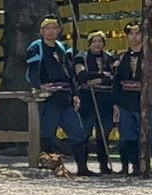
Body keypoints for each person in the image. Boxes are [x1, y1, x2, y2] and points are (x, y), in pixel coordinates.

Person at [26, 17, 91, 175]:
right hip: (49, 96)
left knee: (79, 132)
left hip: (66, 95)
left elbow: (71, 72)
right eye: (47, 28)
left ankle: (83, 168)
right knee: (47, 133)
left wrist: (75, 93)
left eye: (54, 28)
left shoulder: (64, 48)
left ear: (59, 31)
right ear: (42, 31)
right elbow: (33, 70)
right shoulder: (36, 47)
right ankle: (47, 168)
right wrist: (39, 86)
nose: (50, 31)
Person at [111, 24, 152, 178]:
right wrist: (115, 104)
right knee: (128, 136)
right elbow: (116, 83)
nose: (134, 37)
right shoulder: (122, 57)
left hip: (146, 100)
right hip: (125, 101)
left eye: (138, 33)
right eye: (131, 33)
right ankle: (136, 167)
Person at [75, 30, 115, 175]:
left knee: (103, 134)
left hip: (105, 98)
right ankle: (82, 166)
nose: (97, 44)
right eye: (94, 41)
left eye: (100, 41)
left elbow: (114, 77)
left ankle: (104, 165)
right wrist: (101, 75)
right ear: (90, 43)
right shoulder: (82, 57)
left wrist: (96, 80)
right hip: (88, 98)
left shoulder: (109, 58)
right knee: (85, 132)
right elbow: (81, 76)